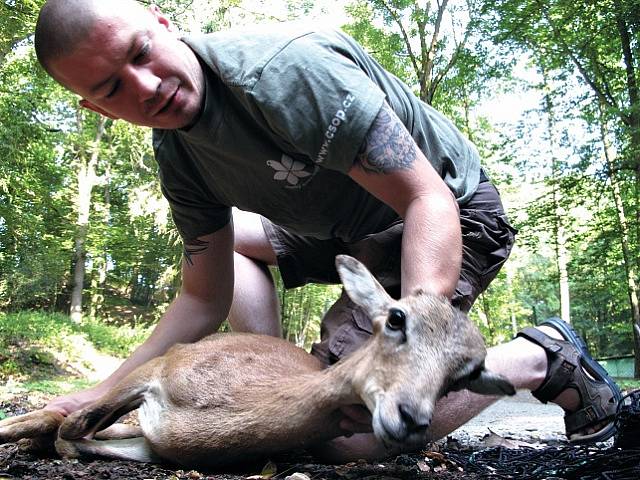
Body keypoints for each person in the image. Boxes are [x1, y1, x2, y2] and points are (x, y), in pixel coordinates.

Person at [32, 0, 620, 460]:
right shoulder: (179, 158)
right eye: (111, 88)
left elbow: (425, 197)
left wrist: (408, 345)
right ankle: (277, 367)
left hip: (442, 215)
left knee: (340, 437)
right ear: (96, 109)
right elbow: (202, 295)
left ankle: (538, 357)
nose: (145, 86)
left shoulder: (279, 74)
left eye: (141, 53)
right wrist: (102, 392)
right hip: (336, 225)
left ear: (163, 23)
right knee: (232, 252)